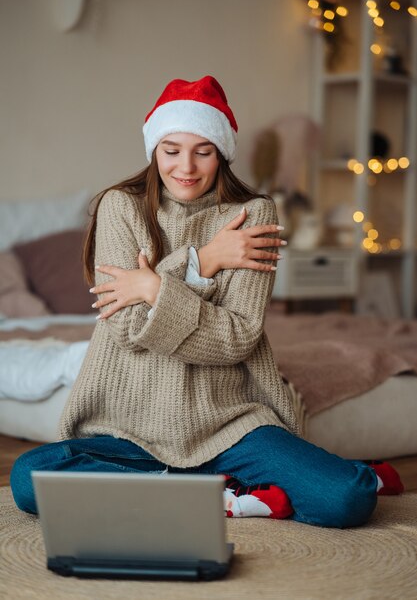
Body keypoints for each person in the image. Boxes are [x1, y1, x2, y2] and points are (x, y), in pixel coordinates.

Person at [10, 76, 379, 527]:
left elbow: (237, 339)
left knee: (347, 497)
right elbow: (126, 329)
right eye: (171, 150)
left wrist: (151, 287)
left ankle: (184, 492)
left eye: (203, 150)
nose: (186, 166)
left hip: (230, 427)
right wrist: (202, 261)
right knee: (29, 478)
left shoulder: (254, 214)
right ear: (154, 150)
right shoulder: (118, 207)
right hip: (128, 431)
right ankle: (211, 493)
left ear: (221, 152)